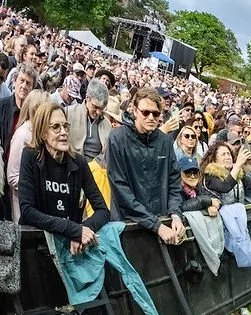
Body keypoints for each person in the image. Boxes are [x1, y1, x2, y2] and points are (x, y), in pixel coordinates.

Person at [18, 101, 159, 314]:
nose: (63, 132)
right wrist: (74, 230)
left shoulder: (79, 162)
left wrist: (84, 230)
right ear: (42, 131)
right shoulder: (30, 157)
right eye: (55, 127)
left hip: (72, 252)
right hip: (37, 253)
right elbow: (27, 211)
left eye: (65, 126)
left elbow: (103, 210)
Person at [106, 86, 186, 245]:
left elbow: (174, 182)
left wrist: (176, 214)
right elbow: (120, 189)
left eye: (156, 114)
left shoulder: (165, 141)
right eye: (145, 112)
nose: (151, 117)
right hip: (129, 225)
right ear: (135, 111)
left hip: (162, 223)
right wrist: (156, 225)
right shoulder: (117, 138)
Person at [6, 90, 51, 223]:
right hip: (25, 206)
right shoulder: (22, 135)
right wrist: (37, 184)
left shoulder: (43, 133)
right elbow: (12, 176)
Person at [67, 79, 112, 164]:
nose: (98, 112)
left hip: (97, 170)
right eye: (95, 107)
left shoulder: (107, 124)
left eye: (101, 109)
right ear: (87, 98)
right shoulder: (69, 114)